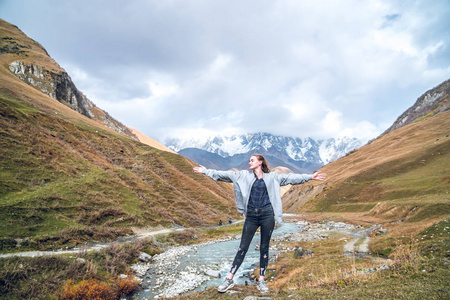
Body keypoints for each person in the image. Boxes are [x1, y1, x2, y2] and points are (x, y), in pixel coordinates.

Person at [193, 154, 326, 293]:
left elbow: (291, 178)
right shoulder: (243, 175)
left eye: (252, 160)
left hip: (267, 215)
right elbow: (223, 175)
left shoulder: (272, 177)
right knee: (242, 247)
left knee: (264, 248)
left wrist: (311, 176)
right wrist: (206, 171)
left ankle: (261, 280)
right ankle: (229, 278)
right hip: (251, 216)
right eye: (249, 160)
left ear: (260, 162)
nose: (249, 162)